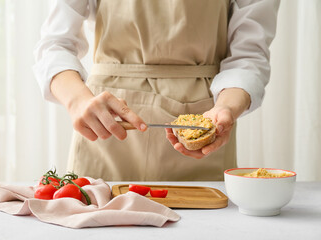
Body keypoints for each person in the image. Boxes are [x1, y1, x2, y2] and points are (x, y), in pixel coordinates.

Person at [33, 0, 280, 181]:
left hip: (206, 122)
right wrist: (78, 100)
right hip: (106, 122)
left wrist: (226, 107)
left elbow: (249, 56)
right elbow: (55, 44)